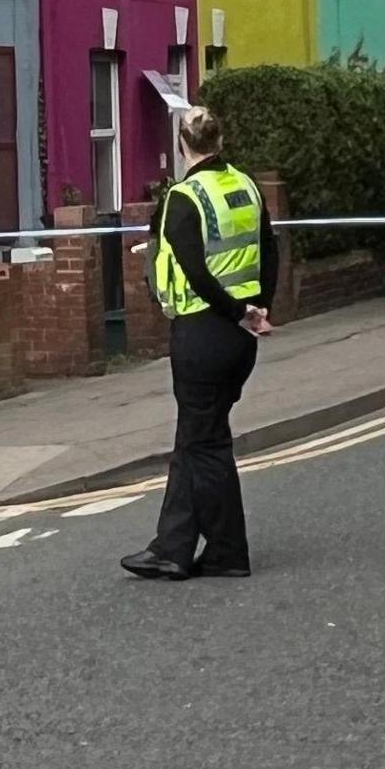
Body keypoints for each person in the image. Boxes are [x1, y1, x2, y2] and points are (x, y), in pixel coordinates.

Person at [125, 105, 277, 581]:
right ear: (221, 140)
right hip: (240, 339)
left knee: (205, 443)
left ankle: (229, 551)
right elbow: (269, 249)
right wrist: (258, 309)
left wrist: (235, 311)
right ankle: (171, 547)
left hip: (202, 333)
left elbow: (194, 269)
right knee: (194, 438)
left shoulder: (184, 197)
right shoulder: (245, 186)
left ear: (182, 146)